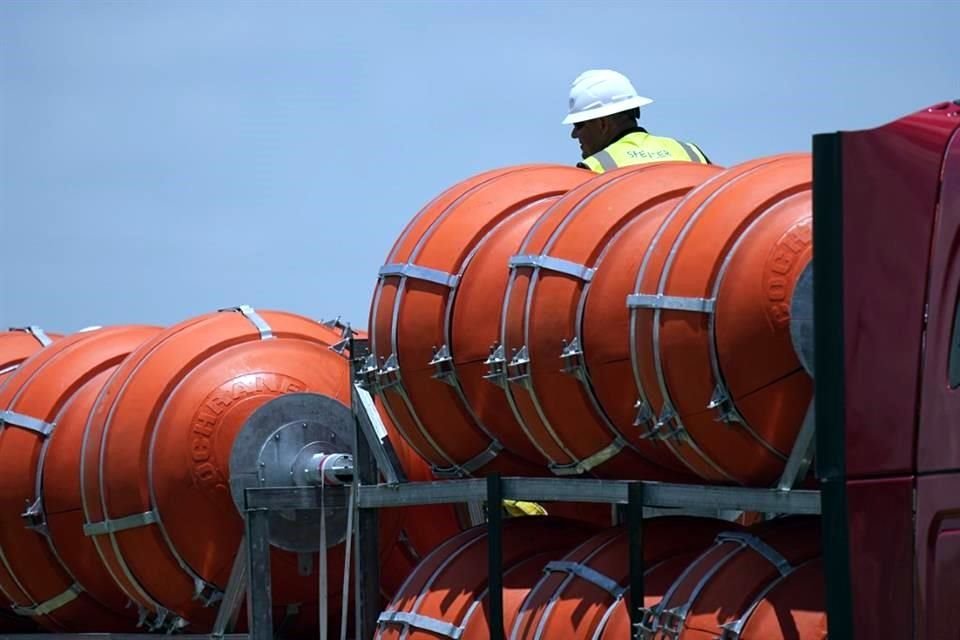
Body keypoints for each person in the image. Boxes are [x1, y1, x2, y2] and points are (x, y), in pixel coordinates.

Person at [563, 69, 711, 173]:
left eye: (579, 125)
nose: (574, 134)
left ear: (602, 123)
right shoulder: (692, 153)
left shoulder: (594, 168)